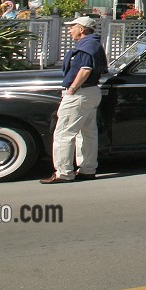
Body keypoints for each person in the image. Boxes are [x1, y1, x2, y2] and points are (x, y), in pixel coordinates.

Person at [42, 16, 107, 183]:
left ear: (82, 29)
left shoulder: (87, 46)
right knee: (86, 133)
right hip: (90, 92)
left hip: (80, 93)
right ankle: (87, 169)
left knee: (64, 133)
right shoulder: (92, 44)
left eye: (73, 27)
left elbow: (85, 70)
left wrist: (72, 89)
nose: (70, 30)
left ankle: (63, 173)